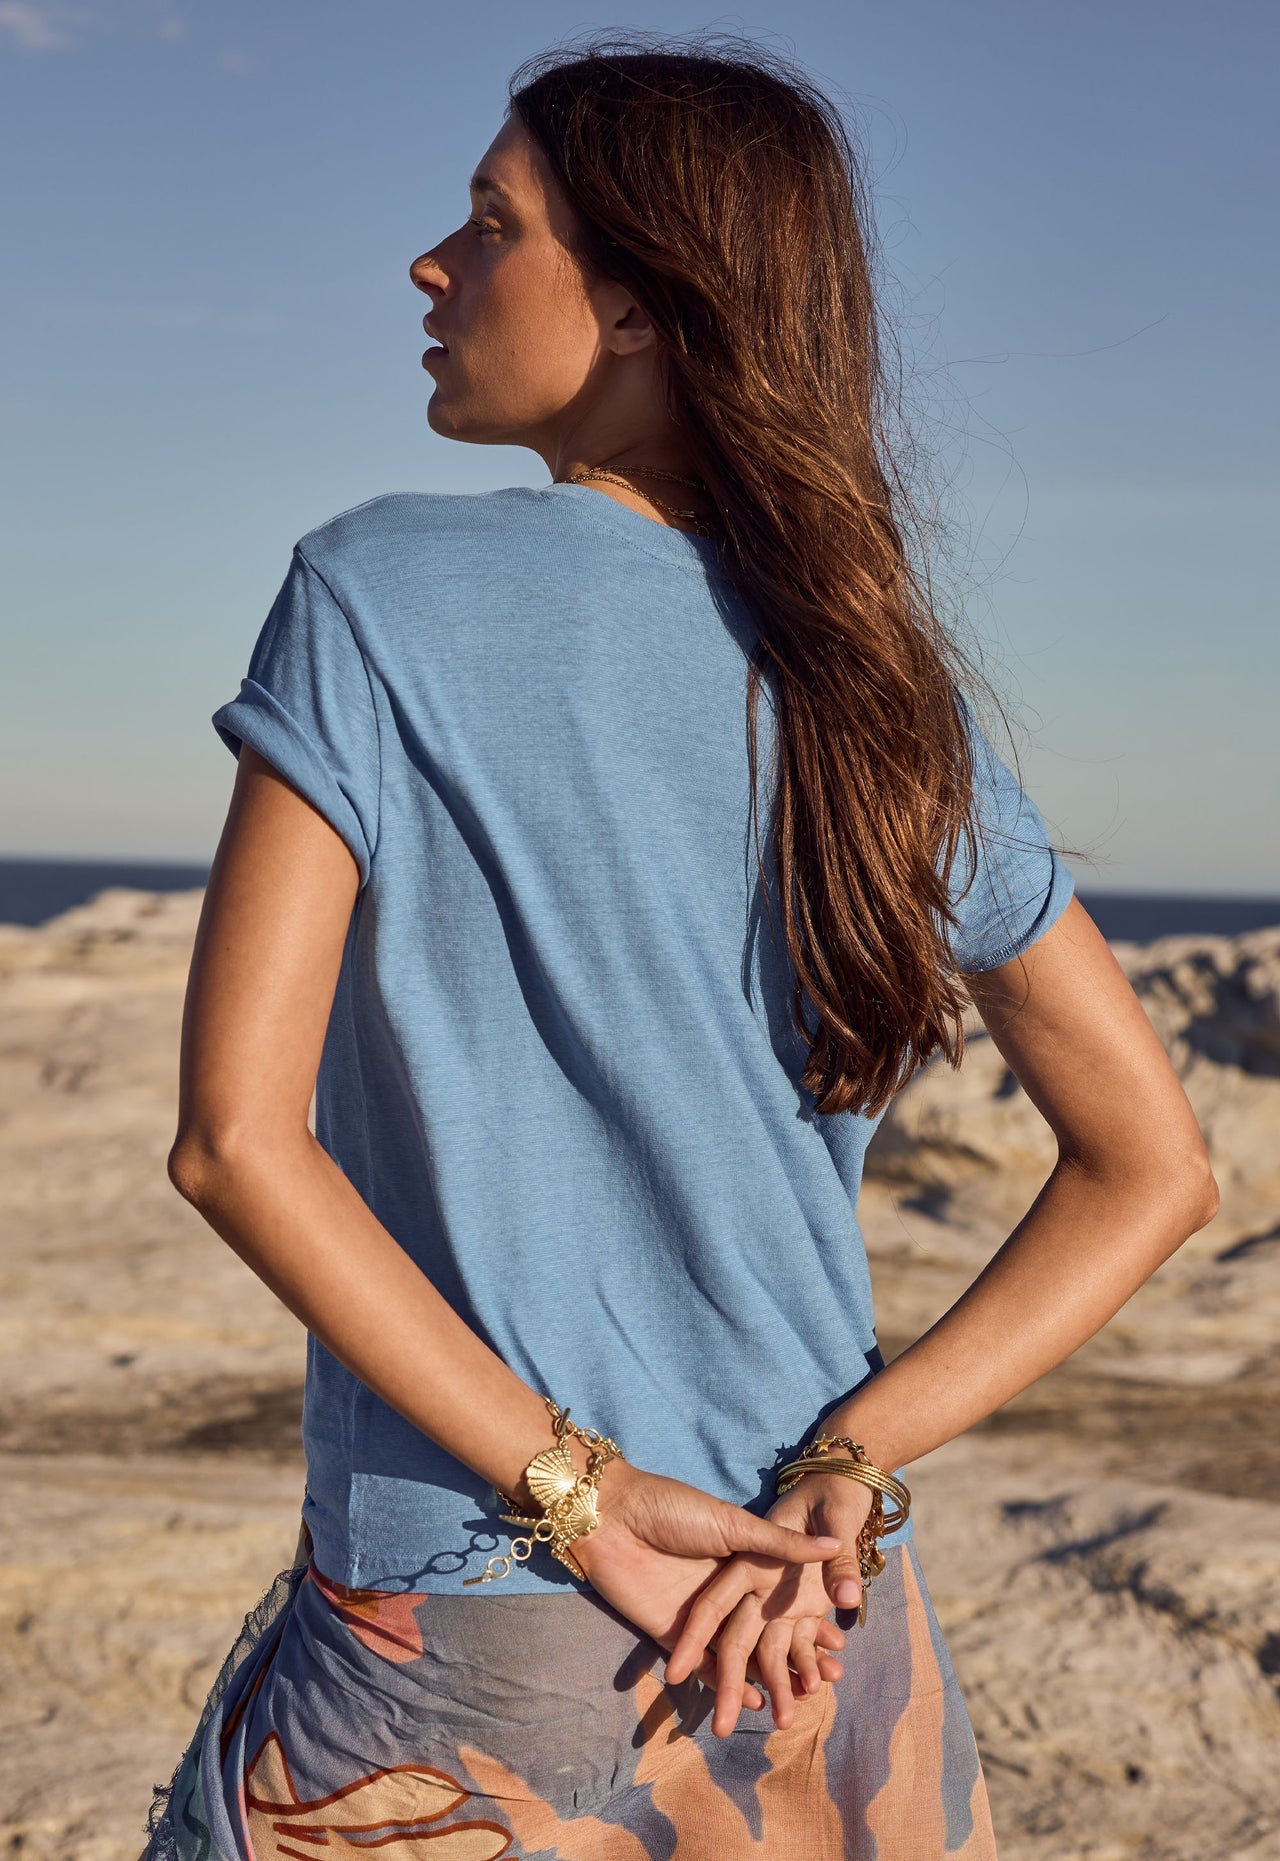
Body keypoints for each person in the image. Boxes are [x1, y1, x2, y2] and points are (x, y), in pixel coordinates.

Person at [140, 37, 1218, 1861]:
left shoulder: (372, 592)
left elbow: (235, 1144)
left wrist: (586, 1492)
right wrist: (852, 1470)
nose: (433, 265)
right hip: (835, 1643)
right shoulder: (883, 694)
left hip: (489, 1633)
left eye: (491, 224)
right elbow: (1158, 1167)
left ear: (641, 304)